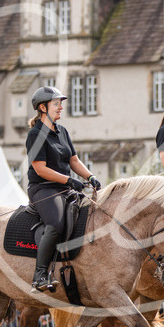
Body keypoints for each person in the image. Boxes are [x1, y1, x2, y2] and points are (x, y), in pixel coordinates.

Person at [26, 86, 100, 292]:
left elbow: (73, 160)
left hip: (63, 187)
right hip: (43, 189)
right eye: (56, 104)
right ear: (43, 108)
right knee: (56, 224)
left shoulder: (63, 132)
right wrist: (69, 180)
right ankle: (40, 274)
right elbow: (40, 169)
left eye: (60, 103)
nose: (61, 107)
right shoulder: (35, 134)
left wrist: (89, 176)